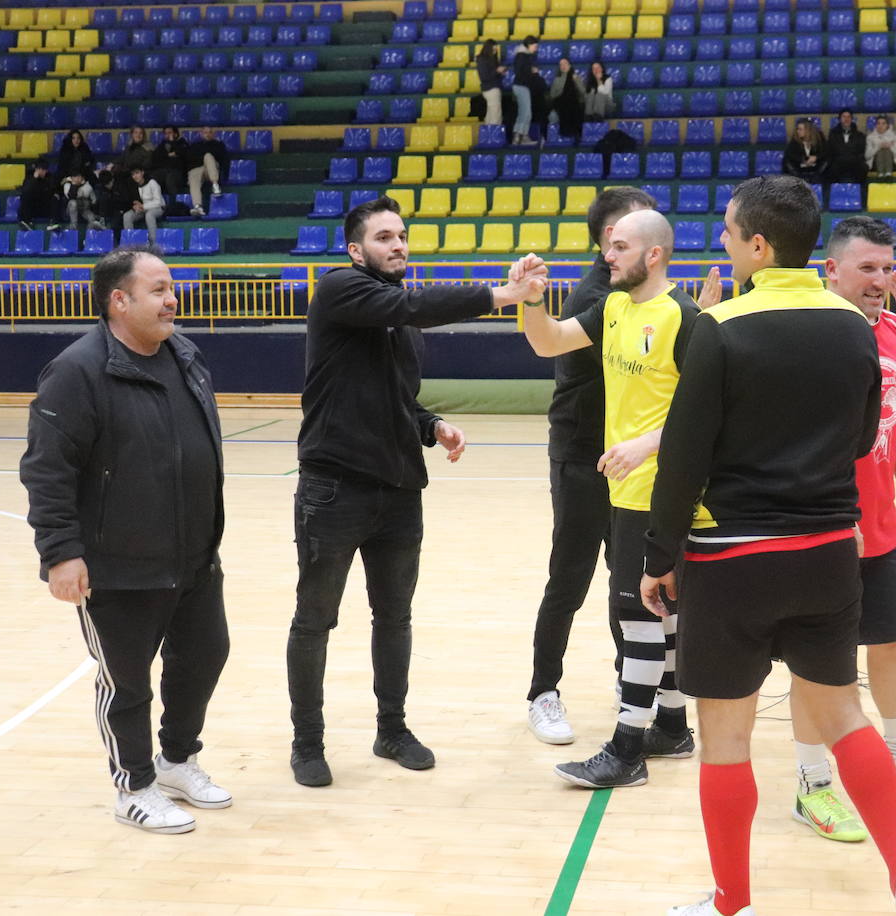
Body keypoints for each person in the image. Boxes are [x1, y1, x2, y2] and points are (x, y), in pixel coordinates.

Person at [640, 175, 896, 916]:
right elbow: (865, 433)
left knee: (726, 734)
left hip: (733, 558)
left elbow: (684, 456)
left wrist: (657, 556)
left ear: (759, 245)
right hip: (832, 552)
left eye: (730, 230)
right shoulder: (856, 329)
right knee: (843, 714)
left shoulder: (720, 327)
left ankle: (730, 903)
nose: (722, 240)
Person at [286, 197, 546, 787]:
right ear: (356, 251)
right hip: (333, 488)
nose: (398, 245)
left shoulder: (396, 318)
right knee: (314, 620)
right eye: (383, 237)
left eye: (402, 236)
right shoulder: (338, 290)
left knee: (394, 617)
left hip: (399, 487)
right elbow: (414, 305)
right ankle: (307, 742)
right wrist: (503, 296)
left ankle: (392, 729)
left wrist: (430, 425)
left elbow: (395, 393)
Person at [19, 246, 232, 835]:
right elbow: (46, 470)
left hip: (193, 556)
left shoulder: (184, 354)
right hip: (117, 565)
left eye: (172, 288)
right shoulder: (77, 371)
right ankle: (133, 786)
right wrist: (61, 553)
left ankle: (177, 762)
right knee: (128, 682)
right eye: (160, 289)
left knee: (203, 657)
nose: (173, 299)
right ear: (120, 300)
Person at [785, 216, 896, 848]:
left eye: (888, 267)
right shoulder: (805, 338)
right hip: (820, 526)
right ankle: (812, 785)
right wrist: (833, 512)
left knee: (893, 645)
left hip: (882, 526)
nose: (881, 280)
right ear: (829, 270)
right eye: (867, 268)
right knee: (818, 662)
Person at [518, 208, 699, 789]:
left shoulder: (685, 317)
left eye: (619, 246)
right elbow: (548, 342)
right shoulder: (615, 307)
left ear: (653, 254)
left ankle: (626, 750)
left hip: (660, 488)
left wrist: (646, 443)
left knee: (637, 612)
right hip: (626, 487)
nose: (607, 255)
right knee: (657, 614)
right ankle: (671, 726)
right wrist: (532, 299)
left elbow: (711, 414)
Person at [525, 187, 657, 745]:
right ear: (609, 240)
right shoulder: (597, 298)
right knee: (571, 576)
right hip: (583, 455)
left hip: (630, 460)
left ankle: (632, 682)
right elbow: (551, 342)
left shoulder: (646, 296)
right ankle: (542, 691)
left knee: (629, 578)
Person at [186, 126, 229, 218]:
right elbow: (190, 159)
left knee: (208, 156)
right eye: (205, 132)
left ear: (213, 134)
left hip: (212, 169)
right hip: (198, 168)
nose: (208, 134)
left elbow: (223, 159)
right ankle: (197, 206)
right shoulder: (194, 146)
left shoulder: (218, 145)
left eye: (210, 132)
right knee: (193, 175)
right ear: (201, 133)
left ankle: (215, 184)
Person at [510, 35, 541, 146]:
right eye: (535, 46)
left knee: (524, 112)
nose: (536, 48)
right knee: (526, 112)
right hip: (521, 86)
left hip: (522, 86)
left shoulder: (524, 56)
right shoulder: (522, 56)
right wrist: (531, 70)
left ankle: (519, 136)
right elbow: (520, 71)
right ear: (529, 45)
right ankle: (521, 136)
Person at [124, 167, 165, 245]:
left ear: (142, 172)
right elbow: (133, 200)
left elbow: (158, 202)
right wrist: (135, 205)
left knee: (149, 215)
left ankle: (153, 243)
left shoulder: (152, 183)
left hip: (158, 208)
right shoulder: (134, 185)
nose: (135, 176)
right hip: (144, 208)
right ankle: (131, 244)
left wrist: (143, 206)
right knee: (127, 216)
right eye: (133, 174)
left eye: (137, 173)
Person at [826, 108, 867, 186]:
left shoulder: (859, 135)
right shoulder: (833, 134)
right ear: (840, 119)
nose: (846, 119)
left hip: (855, 162)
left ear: (852, 119)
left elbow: (861, 151)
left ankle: (861, 194)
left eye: (848, 117)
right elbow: (832, 150)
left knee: (862, 168)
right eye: (844, 117)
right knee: (830, 169)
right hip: (838, 162)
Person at [549, 57, 586, 144]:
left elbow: (583, 92)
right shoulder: (557, 80)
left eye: (565, 63)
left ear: (569, 65)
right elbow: (552, 95)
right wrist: (561, 90)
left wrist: (576, 80)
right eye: (561, 64)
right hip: (560, 102)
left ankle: (575, 133)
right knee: (566, 100)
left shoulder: (576, 77)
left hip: (574, 102)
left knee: (573, 102)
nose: (563, 66)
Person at [151, 125, 189, 200]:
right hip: (164, 171)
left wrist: (172, 142)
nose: (168, 135)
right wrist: (169, 154)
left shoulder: (182, 143)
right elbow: (156, 157)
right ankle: (155, 203)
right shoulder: (162, 145)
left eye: (170, 133)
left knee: (170, 179)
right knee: (153, 178)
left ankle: (174, 204)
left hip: (177, 172)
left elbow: (183, 154)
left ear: (175, 134)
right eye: (166, 133)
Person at [18, 162, 58, 230]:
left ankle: (53, 223)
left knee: (55, 198)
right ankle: (26, 222)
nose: (42, 172)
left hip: (45, 207)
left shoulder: (50, 178)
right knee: (26, 196)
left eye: (44, 170)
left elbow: (52, 191)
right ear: (36, 170)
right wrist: (34, 179)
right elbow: (26, 191)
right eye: (40, 169)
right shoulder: (29, 178)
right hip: (33, 207)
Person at [475, 40, 505, 127]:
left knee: (490, 113)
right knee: (496, 114)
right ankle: (494, 134)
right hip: (491, 88)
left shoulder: (490, 60)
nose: (495, 52)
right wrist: (497, 71)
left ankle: (488, 134)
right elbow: (485, 77)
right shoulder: (483, 60)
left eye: (496, 50)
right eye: (493, 50)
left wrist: (499, 73)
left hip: (491, 88)